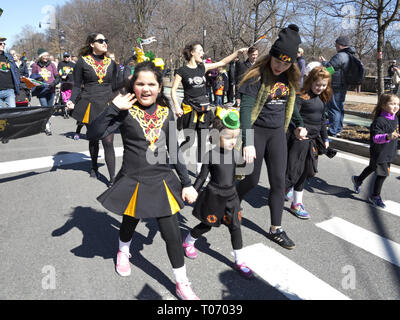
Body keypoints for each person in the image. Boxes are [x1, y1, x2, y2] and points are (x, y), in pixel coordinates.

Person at [87, 61, 200, 300]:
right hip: (134, 178)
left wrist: (187, 182)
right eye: (140, 84)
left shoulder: (166, 112)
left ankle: (182, 283)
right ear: (132, 86)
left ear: (160, 87)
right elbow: (93, 134)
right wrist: (111, 108)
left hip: (162, 180)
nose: (145, 89)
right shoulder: (124, 109)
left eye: (151, 84)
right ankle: (123, 250)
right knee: (130, 221)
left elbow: (174, 149)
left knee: (171, 234)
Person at [236, 24, 302, 250]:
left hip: (277, 134)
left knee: (278, 182)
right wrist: (247, 141)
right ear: (271, 55)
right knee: (252, 180)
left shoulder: (290, 78)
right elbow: (245, 110)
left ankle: (276, 229)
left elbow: (292, 107)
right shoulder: (255, 76)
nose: (280, 66)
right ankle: (232, 202)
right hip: (256, 131)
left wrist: (299, 125)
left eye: (286, 63)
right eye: (277, 61)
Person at [182, 108, 253, 278]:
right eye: (228, 137)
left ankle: (239, 260)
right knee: (206, 225)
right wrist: (193, 190)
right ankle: (188, 241)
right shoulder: (210, 155)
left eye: (235, 137)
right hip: (214, 196)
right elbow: (201, 177)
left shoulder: (236, 154)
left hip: (231, 196)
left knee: (235, 227)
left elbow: (241, 173)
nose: (232, 141)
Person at [171, 42, 247, 176]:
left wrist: (237, 53)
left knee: (202, 140)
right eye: (200, 51)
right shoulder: (182, 71)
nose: (203, 53)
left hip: (204, 109)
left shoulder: (203, 67)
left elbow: (222, 62)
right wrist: (177, 107)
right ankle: (176, 154)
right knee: (190, 140)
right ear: (192, 53)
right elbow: (173, 90)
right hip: (190, 109)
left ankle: (199, 169)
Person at [66, 33, 120, 186]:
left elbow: (115, 85)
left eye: (106, 41)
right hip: (90, 104)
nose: (105, 43)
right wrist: (71, 100)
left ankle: (112, 179)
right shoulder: (82, 62)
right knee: (94, 138)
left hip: (108, 104)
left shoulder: (111, 63)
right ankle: (94, 166)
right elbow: (76, 85)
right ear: (92, 44)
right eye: (101, 41)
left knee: (108, 140)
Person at [285, 66, 332, 219]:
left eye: (324, 85)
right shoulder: (301, 97)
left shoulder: (322, 98)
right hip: (299, 141)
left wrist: (325, 138)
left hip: (313, 141)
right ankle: (286, 188)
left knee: (304, 172)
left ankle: (296, 203)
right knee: (293, 171)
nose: (321, 88)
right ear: (310, 81)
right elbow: (292, 117)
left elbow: (322, 120)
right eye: (318, 84)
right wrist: (296, 130)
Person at [351, 93, 399, 209]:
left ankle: (358, 179)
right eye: (392, 104)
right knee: (383, 174)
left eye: (397, 104)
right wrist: (387, 137)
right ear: (383, 105)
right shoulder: (379, 121)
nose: (395, 106)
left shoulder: (395, 118)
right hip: (379, 152)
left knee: (372, 167)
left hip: (389, 151)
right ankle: (375, 196)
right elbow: (375, 138)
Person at [319, 35, 355, 137]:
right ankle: (338, 128)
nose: (335, 46)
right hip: (343, 84)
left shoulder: (341, 56)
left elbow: (329, 70)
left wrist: (323, 65)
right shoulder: (349, 55)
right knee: (339, 107)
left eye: (336, 45)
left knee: (333, 108)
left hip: (336, 85)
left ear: (340, 45)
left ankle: (333, 130)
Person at [31, 48, 60, 135]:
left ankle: (46, 121)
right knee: (44, 108)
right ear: (40, 57)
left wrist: (54, 83)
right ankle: (47, 126)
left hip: (51, 90)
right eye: (44, 56)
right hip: (41, 91)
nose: (46, 57)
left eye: (47, 55)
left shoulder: (52, 65)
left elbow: (58, 77)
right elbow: (32, 78)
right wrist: (38, 79)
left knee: (49, 109)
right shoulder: (35, 66)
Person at [0, 37, 20, 109]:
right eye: (0, 43)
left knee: (12, 112)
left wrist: (17, 85)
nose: (3, 45)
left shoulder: (9, 57)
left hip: (9, 90)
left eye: (4, 43)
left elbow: (15, 71)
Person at [58, 52, 75, 118]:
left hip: (72, 82)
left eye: (67, 56)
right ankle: (64, 111)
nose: (66, 58)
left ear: (69, 57)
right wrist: (62, 75)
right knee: (64, 98)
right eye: (65, 57)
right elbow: (59, 70)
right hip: (64, 83)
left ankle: (70, 111)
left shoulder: (73, 64)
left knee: (71, 97)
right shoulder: (61, 64)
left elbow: (76, 73)